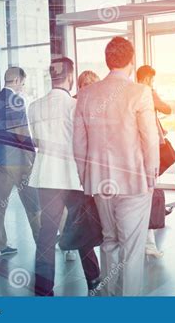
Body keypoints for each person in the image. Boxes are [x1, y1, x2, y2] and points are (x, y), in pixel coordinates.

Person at [73, 37, 159, 296]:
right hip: (133, 181)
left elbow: (79, 143)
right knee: (132, 248)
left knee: (109, 241)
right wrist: (151, 174)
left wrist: (84, 176)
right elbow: (150, 138)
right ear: (131, 61)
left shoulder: (87, 94)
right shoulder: (139, 92)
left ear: (108, 61)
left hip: (100, 182)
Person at [30, 59, 100, 296]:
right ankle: (93, 282)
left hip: (46, 178)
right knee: (82, 230)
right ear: (70, 77)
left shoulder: (34, 106)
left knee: (46, 234)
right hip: (72, 178)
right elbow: (84, 142)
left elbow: (38, 142)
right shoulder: (75, 106)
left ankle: (43, 290)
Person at [0, 67, 40, 258]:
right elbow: (22, 133)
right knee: (32, 202)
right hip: (18, 161)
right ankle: (42, 242)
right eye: (23, 83)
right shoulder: (17, 100)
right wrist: (33, 156)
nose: (23, 87)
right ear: (16, 81)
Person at [59, 70, 101, 263]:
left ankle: (83, 240)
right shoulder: (74, 104)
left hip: (90, 163)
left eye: (92, 85)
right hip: (74, 162)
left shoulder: (97, 104)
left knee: (87, 205)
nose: (89, 89)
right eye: (85, 85)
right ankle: (71, 242)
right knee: (76, 206)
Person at [136, 65, 171, 259]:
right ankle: (148, 243)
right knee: (148, 191)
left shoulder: (130, 92)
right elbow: (168, 108)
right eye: (152, 79)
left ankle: (144, 241)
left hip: (134, 151)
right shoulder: (147, 92)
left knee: (140, 194)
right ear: (148, 78)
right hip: (148, 150)